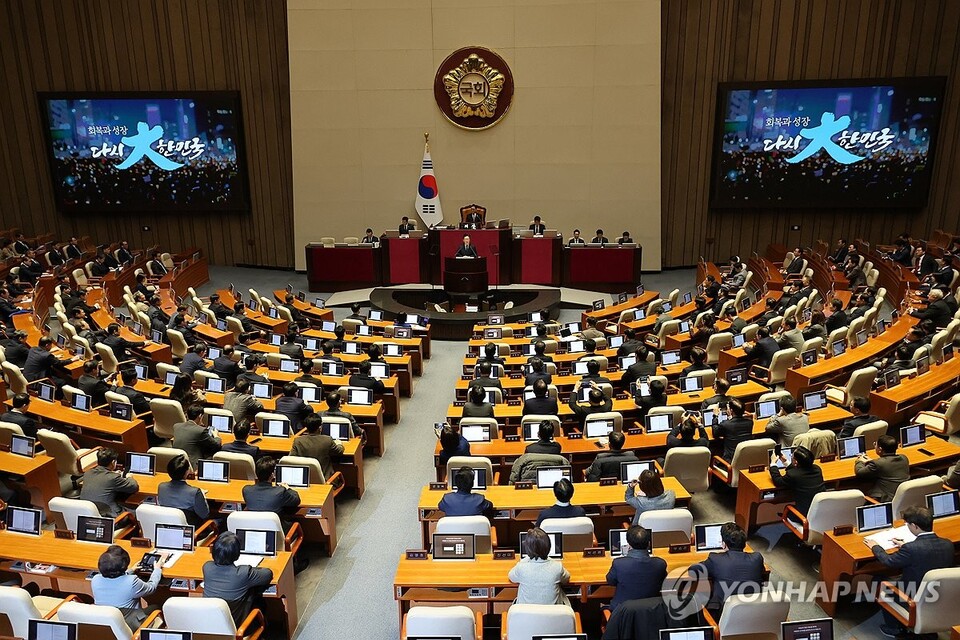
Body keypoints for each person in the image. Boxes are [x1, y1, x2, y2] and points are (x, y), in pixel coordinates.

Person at [870, 506, 955, 638]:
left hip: (913, 597)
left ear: (914, 526)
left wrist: (875, 547)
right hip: (940, 595)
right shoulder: (948, 544)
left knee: (878, 580)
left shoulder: (912, 549)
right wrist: (904, 546)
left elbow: (888, 562)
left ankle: (894, 628)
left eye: (908, 524)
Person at [690, 522, 764, 615]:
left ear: (724, 544)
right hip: (752, 614)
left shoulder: (716, 560)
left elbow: (693, 570)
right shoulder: (757, 558)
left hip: (723, 616)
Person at [202, 532, 273, 625]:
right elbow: (268, 574)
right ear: (237, 554)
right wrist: (252, 569)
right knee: (259, 601)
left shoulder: (207, 567)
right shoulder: (243, 573)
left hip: (211, 625)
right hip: (238, 627)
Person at [91, 545, 161, 630]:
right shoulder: (132, 582)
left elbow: (116, 580)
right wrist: (157, 569)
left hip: (106, 626)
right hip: (131, 626)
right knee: (157, 607)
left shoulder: (95, 580)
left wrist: (130, 571)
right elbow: (151, 587)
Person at [606, 525, 667, 612]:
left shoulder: (619, 563)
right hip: (652, 614)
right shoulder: (660, 564)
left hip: (622, 615)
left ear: (629, 545)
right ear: (649, 544)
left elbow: (610, 581)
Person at [508, 527, 571, 605]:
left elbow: (511, 577)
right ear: (549, 546)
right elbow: (566, 578)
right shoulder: (557, 567)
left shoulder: (521, 567)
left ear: (527, 548)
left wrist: (524, 559)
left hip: (526, 616)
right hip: (553, 616)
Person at [242, 457, 301, 527]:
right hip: (277, 530)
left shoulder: (246, 490)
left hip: (254, 527)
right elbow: (296, 500)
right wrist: (288, 488)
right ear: (272, 475)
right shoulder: (280, 491)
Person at [79, 448, 139, 517]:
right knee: (138, 512)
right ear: (113, 462)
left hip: (89, 514)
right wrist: (129, 477)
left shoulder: (88, 473)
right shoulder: (113, 478)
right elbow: (134, 487)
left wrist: (113, 474)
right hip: (109, 517)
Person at [769, 446, 824, 517]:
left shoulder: (793, 475)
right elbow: (799, 471)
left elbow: (778, 481)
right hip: (820, 511)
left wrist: (773, 463)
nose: (791, 456)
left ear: (796, 461)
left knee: (787, 508)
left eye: (792, 456)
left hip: (804, 516)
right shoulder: (817, 469)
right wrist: (785, 461)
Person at [158, 454, 210, 526]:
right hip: (192, 529)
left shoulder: (161, 487)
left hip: (167, 526)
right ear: (186, 472)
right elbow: (205, 514)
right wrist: (202, 496)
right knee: (221, 520)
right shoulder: (195, 492)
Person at [855, 435, 909, 502]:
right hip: (903, 497)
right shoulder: (904, 458)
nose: (875, 446)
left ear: (880, 449)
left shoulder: (878, 464)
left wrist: (859, 461)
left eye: (875, 444)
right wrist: (872, 461)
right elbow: (886, 465)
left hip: (886, 499)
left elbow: (859, 472)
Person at [291, 414, 343, 481]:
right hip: (326, 479)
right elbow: (339, 452)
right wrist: (339, 444)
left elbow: (291, 459)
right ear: (320, 427)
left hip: (303, 479)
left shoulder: (298, 441)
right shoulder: (327, 440)